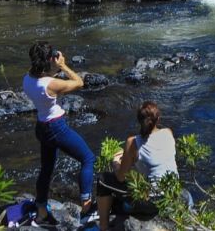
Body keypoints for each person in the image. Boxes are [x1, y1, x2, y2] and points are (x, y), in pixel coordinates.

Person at [24, 40, 96, 225]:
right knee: (87, 158)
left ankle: (41, 213)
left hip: (41, 126)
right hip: (56, 127)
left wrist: (53, 68)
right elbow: (79, 82)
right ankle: (87, 206)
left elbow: (45, 76)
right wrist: (63, 65)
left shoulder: (28, 79)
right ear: (49, 59)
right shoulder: (50, 84)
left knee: (46, 170)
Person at [96, 101, 180, 231]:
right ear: (158, 118)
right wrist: (128, 156)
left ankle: (103, 227)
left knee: (103, 180)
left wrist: (115, 161)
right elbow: (152, 155)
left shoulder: (133, 142)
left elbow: (120, 177)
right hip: (172, 195)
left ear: (138, 120)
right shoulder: (168, 132)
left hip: (152, 203)